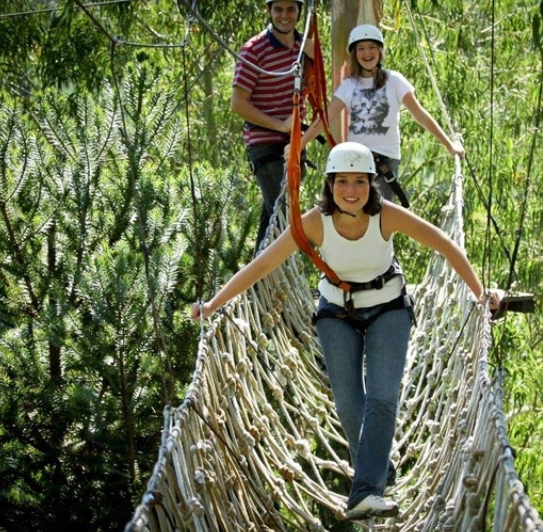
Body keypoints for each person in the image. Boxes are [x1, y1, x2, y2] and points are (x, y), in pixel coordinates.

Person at [191, 142, 500, 519]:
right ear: (329, 184)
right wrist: (212, 305)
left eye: (359, 181)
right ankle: (378, 472)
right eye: (342, 182)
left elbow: (444, 244)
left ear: (372, 184)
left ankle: (365, 491)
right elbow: (261, 266)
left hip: (388, 308)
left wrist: (482, 293)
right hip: (336, 312)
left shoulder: (386, 216)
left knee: (383, 397)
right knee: (349, 404)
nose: (351, 191)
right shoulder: (314, 223)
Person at [299, 24, 465, 206]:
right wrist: (298, 145)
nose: (367, 53)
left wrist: (449, 145)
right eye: (361, 49)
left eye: (372, 47)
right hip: (357, 160)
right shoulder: (349, 85)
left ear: (379, 51)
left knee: (381, 218)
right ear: (354, 54)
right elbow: (325, 118)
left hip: (385, 160)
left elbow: (421, 116)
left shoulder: (395, 81)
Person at [231, 0, 311, 251]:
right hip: (265, 143)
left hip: (295, 141)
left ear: (299, 11)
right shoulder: (254, 50)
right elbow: (238, 104)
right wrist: (280, 125)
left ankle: (260, 281)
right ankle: (272, 279)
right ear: (269, 11)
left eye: (290, 9)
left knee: (273, 216)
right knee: (284, 212)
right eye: (278, 9)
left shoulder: (305, 46)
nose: (284, 16)